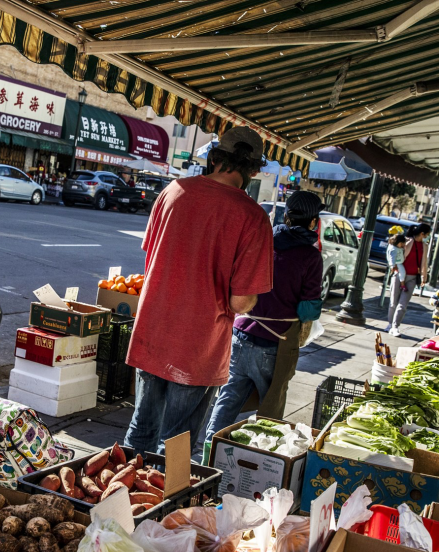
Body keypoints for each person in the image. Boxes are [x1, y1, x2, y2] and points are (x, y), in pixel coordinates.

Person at [124, 127, 274, 456]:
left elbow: (151, 257)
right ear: (253, 169)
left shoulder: (173, 191)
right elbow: (241, 301)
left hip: (152, 331)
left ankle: (121, 500)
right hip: (198, 347)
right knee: (176, 446)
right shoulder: (253, 218)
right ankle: (163, 506)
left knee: (141, 431)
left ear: (216, 157)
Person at [204, 191, 323, 445]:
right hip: (275, 345)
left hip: (240, 334)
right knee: (270, 415)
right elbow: (308, 310)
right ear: (314, 221)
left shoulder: (264, 240)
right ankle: (256, 462)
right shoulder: (310, 256)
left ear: (287, 216)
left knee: (228, 399)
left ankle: (208, 450)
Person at [386, 223, 431, 337]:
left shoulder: (424, 246)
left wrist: (423, 277)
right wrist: (393, 265)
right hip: (398, 274)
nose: (428, 237)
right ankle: (390, 324)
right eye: (427, 234)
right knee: (393, 302)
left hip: (412, 277)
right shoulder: (406, 241)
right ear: (422, 233)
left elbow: (423, 262)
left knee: (402, 304)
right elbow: (393, 250)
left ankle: (395, 327)